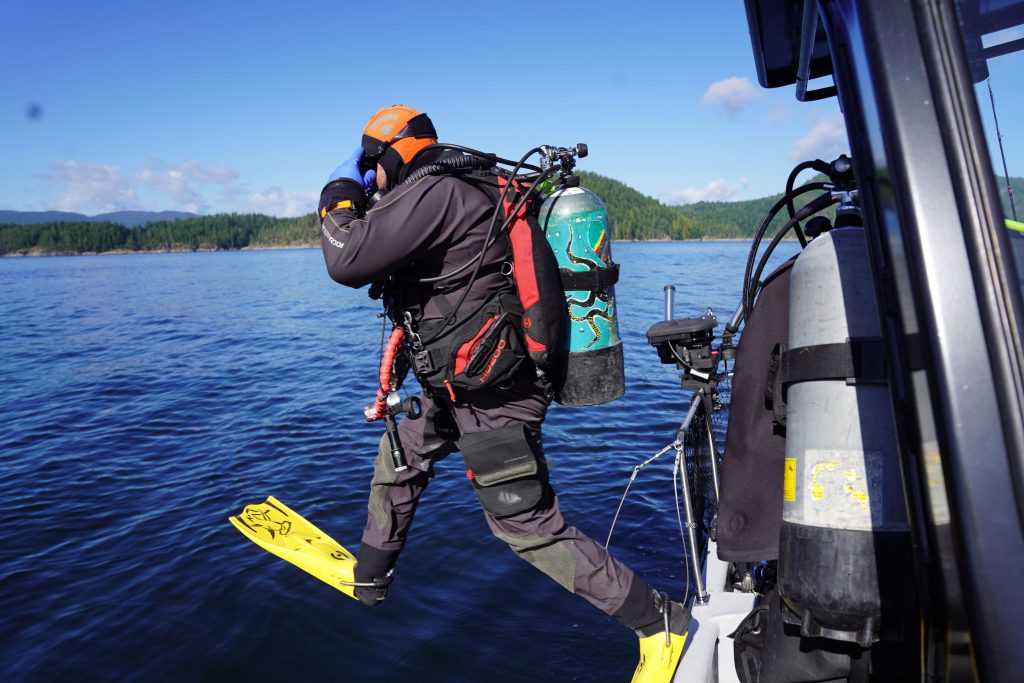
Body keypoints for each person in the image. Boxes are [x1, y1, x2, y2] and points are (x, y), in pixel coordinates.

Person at [317, 104, 690, 682]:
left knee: (524, 522)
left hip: (494, 393)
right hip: (459, 384)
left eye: (373, 162)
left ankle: (660, 623)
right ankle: (372, 571)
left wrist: (340, 191)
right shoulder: (462, 186)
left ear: (390, 153)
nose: (372, 176)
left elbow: (347, 258)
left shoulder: (437, 192)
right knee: (403, 452)